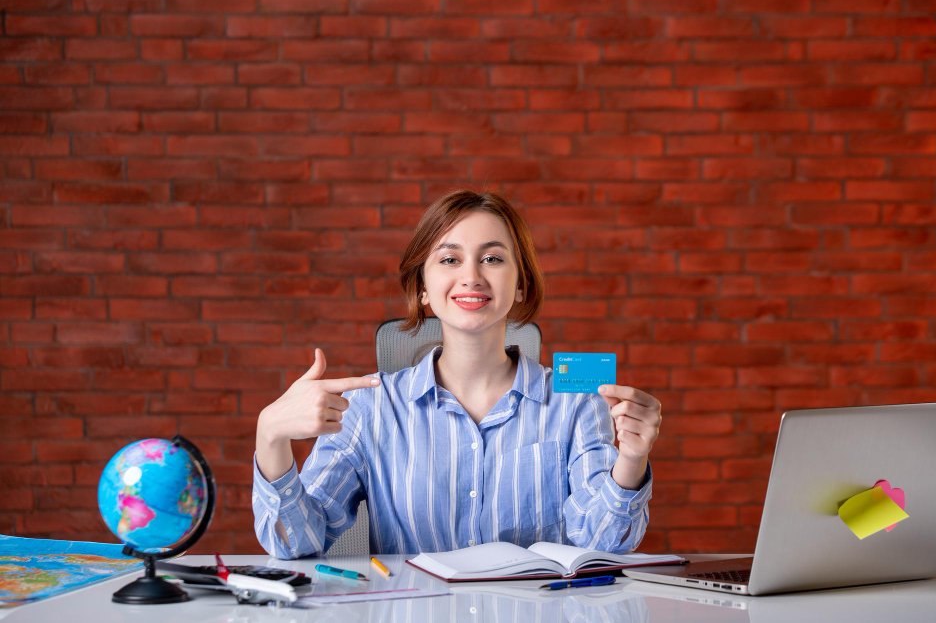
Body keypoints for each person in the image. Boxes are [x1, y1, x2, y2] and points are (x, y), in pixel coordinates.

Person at [252, 190, 662, 558]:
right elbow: (295, 542)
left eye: (493, 258)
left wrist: (631, 459)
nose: (471, 276)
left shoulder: (577, 403)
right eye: (450, 259)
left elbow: (606, 544)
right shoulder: (368, 410)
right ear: (424, 288)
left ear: (520, 284)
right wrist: (271, 436)